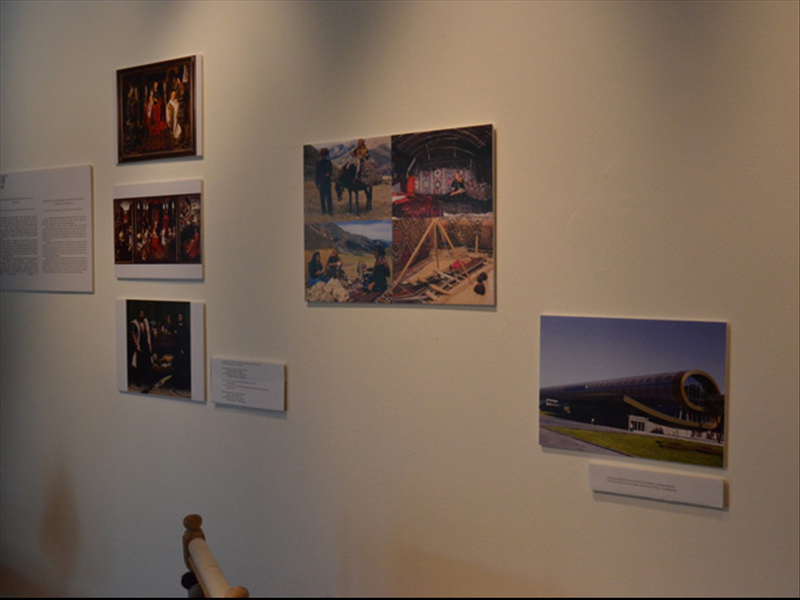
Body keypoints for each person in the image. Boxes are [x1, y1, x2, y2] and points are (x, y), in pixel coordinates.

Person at [130, 309, 153, 392]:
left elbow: (148, 333)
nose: (141, 315)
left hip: (145, 345)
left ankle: (147, 380)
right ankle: (138, 381)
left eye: (143, 313)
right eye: (140, 313)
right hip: (139, 346)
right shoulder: (134, 323)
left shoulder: (146, 322)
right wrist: (137, 346)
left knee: (147, 363)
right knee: (138, 365)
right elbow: (133, 336)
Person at [171, 311, 190, 392]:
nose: (179, 318)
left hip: (183, 350)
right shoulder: (175, 327)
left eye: (180, 317)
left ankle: (183, 385)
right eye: (178, 317)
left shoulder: (185, 328)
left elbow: (186, 339)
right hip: (176, 350)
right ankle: (177, 384)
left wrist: (183, 349)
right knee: (177, 367)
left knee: (183, 368)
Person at [315, 148, 333, 215]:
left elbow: (330, 171)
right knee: (322, 197)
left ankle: (330, 211)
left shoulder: (329, 163)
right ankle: (323, 211)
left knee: (329, 197)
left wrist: (329, 174)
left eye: (325, 155)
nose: (324, 157)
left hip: (327, 182)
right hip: (321, 182)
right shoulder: (318, 164)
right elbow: (317, 174)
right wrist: (317, 183)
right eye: (323, 155)